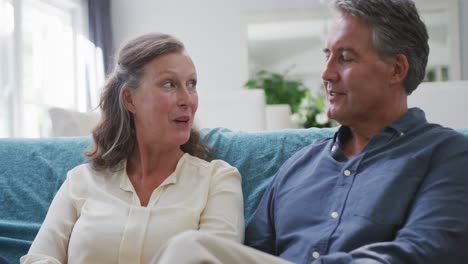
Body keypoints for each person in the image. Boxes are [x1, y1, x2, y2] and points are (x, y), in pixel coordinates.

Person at [153, 0, 468, 263]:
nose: (326, 73)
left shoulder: (448, 154)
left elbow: (425, 252)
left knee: (189, 249)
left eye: (344, 58)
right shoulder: (297, 167)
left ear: (397, 69)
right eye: (327, 56)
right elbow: (250, 255)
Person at [20, 33, 244, 263]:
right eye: (170, 84)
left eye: (191, 84)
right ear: (129, 99)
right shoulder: (81, 181)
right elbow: (38, 258)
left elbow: (217, 260)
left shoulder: (217, 180)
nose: (187, 99)